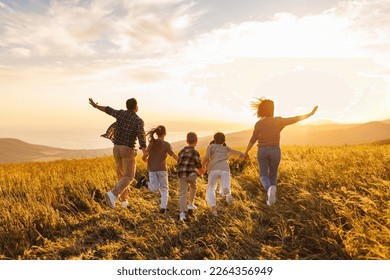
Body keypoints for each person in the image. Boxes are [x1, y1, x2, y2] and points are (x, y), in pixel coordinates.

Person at [244, 97, 318, 206]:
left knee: (263, 175)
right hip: (275, 150)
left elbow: (253, 139)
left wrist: (246, 152)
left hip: (262, 150)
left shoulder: (259, 123)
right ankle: (271, 197)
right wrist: (310, 114)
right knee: (273, 175)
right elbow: (295, 118)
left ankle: (269, 190)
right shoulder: (279, 121)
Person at [88, 97, 147, 209]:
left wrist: (96, 106)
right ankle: (113, 194)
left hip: (116, 148)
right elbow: (141, 137)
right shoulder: (138, 120)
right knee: (129, 176)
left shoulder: (120, 114)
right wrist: (144, 152)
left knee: (121, 176)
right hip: (127, 150)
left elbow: (108, 109)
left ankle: (124, 202)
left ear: (127, 106)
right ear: (136, 107)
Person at [135, 125, 178, 214]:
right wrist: (181, 162)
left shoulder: (152, 143)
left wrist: (146, 160)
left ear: (157, 133)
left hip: (152, 169)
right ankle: (163, 208)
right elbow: (173, 156)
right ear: (165, 133)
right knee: (164, 189)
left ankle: (145, 183)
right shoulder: (166, 144)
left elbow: (145, 156)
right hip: (162, 169)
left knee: (154, 188)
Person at [202, 132, 246, 216]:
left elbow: (206, 158)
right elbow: (237, 152)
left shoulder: (211, 146)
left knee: (211, 188)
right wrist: (244, 155)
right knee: (226, 186)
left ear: (214, 139)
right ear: (224, 140)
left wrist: (202, 166)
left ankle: (214, 209)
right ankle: (228, 196)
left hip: (214, 168)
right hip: (225, 168)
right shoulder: (226, 148)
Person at [176, 132, 204, 222]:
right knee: (193, 185)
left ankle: (182, 214)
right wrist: (201, 172)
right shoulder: (195, 153)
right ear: (196, 141)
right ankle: (191, 203)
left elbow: (178, 160)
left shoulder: (182, 151)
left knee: (183, 194)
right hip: (190, 175)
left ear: (186, 141)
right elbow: (199, 166)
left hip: (181, 175)